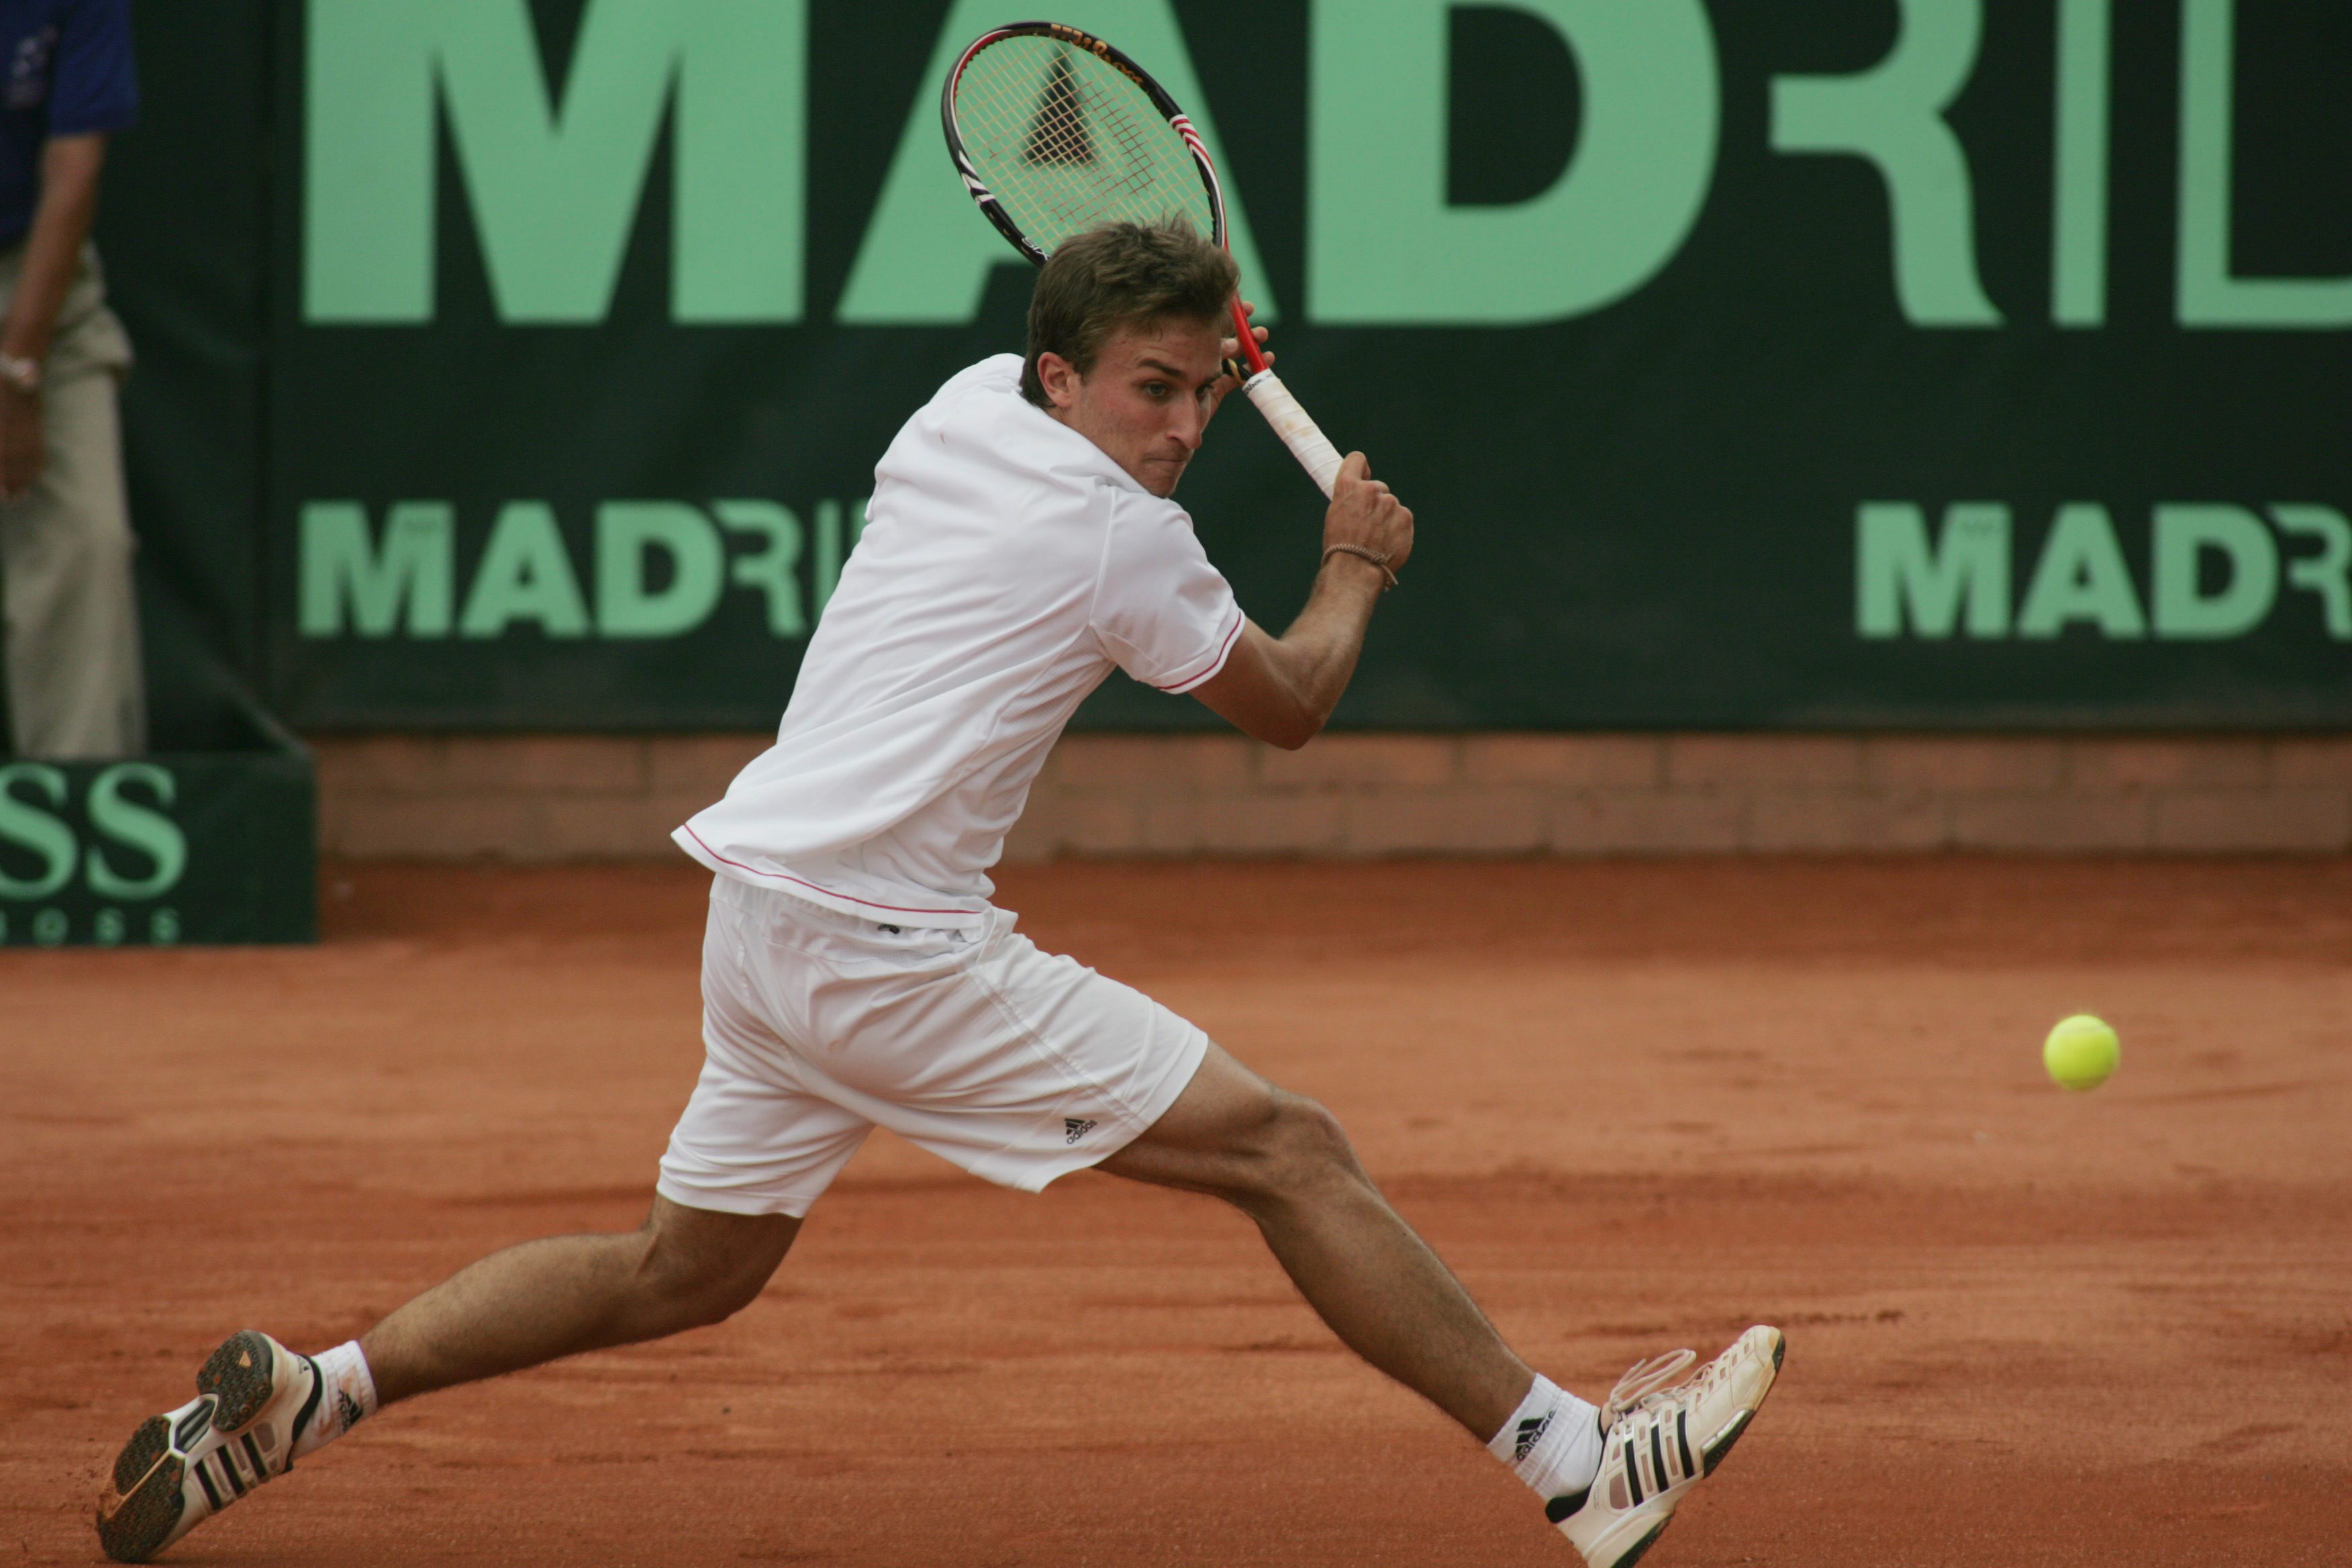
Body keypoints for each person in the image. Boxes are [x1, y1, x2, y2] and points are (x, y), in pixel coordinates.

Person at [95, 222, 1780, 1566]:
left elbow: (1112, 412)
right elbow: (1290, 702)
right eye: (1148, 389)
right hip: (887, 953)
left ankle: (314, 1394)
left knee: (681, 1268)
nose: (1181, 427)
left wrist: (1183, 340)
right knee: (1287, 1147)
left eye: (1202, 389)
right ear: (1062, 375)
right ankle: (1577, 1461)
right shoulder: (1125, 540)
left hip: (759, 923)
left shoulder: (962, 403)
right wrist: (1352, 563)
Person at [0, 0, 144, 759]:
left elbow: (74, 166)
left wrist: (17, 374)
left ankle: (77, 811)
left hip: (41, 289)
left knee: (88, 545)